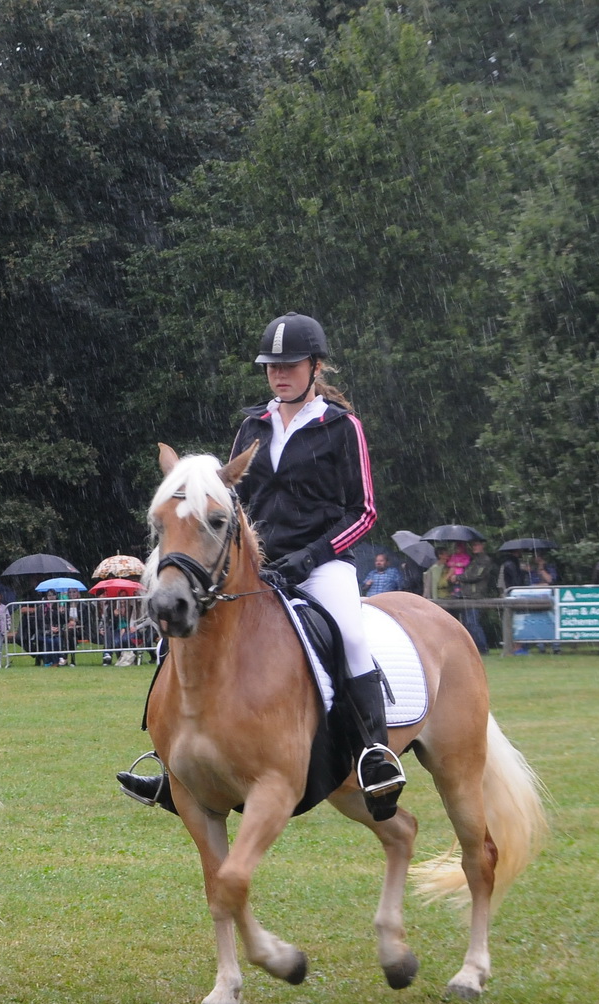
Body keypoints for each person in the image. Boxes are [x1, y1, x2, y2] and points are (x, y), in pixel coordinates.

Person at [119, 311, 405, 821]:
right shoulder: (253, 424)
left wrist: (311, 557)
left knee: (351, 636)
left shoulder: (342, 426)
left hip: (322, 564)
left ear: (315, 367)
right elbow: (228, 498)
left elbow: (364, 512)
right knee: (176, 635)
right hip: (255, 566)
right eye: (272, 365)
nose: (279, 373)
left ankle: (373, 754)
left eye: (290, 364)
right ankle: (172, 762)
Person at [454, 539, 495, 653]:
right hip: (466, 595)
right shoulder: (474, 560)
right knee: (467, 623)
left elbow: (476, 575)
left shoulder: (484, 560)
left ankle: (483, 648)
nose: (474, 547)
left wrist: (458, 577)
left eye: (476, 544)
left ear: (483, 545)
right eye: (473, 545)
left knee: (472, 623)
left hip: (475, 596)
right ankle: (473, 649)